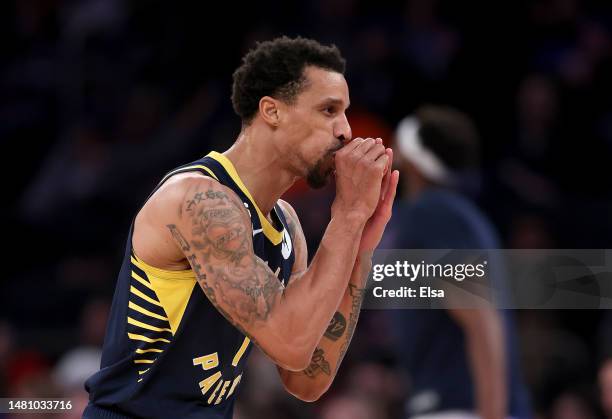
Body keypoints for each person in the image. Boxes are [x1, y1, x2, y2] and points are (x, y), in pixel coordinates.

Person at [83, 36, 399, 419]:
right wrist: (346, 217)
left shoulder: (286, 224)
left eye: (345, 112)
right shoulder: (199, 202)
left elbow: (306, 379)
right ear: (272, 111)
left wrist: (359, 248)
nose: (346, 131)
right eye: (329, 110)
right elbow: (291, 343)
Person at [383, 106, 530, 419]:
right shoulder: (461, 217)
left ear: (413, 159)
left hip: (460, 407)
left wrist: (493, 414)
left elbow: (480, 318)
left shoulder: (432, 214)